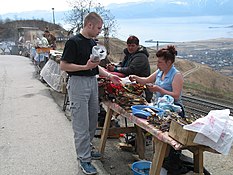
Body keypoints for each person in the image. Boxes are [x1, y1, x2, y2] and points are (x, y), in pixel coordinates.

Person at [60, 12, 121, 175]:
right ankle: (84, 159)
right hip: (78, 83)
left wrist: (109, 75)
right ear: (89, 25)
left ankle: (87, 148)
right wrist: (84, 68)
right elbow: (64, 66)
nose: (100, 31)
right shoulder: (73, 42)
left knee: (92, 119)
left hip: (92, 82)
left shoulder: (91, 43)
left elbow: (94, 66)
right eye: (99, 28)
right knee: (81, 124)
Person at [129, 45, 188, 174]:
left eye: (160, 62)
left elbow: (176, 95)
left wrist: (159, 90)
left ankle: (170, 165)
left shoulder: (176, 75)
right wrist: (136, 78)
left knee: (170, 141)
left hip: (174, 112)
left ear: (169, 62)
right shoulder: (160, 72)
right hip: (161, 109)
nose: (158, 64)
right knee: (158, 137)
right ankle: (160, 162)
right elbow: (145, 80)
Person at [106, 35, 153, 102]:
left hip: (141, 89)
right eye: (129, 45)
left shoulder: (141, 57)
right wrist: (115, 66)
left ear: (137, 46)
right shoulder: (129, 54)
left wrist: (115, 69)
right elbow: (123, 65)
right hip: (131, 85)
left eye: (133, 46)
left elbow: (131, 70)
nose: (130, 48)